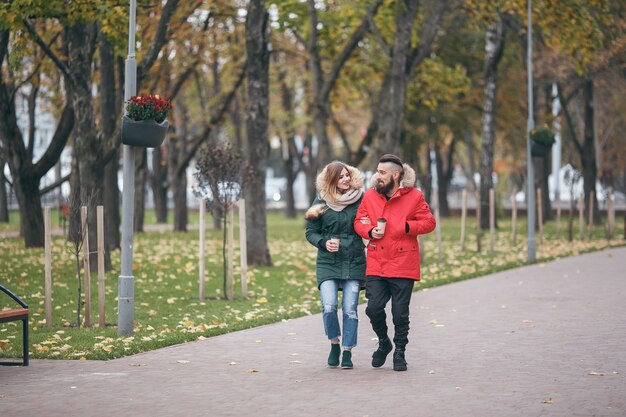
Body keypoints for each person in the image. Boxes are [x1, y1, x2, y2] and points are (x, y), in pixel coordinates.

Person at [353, 154, 436, 371]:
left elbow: (429, 222)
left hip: (403, 261)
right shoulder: (370, 196)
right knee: (373, 308)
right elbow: (360, 220)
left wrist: (406, 227)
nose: (377, 176)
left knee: (400, 313)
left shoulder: (415, 196)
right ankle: (384, 342)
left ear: (396, 175)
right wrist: (369, 231)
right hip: (376, 261)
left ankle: (400, 351)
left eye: (382, 173)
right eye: (377, 172)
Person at [305, 161, 366, 369]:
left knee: (350, 309)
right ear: (331, 180)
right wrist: (323, 242)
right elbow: (310, 232)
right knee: (329, 306)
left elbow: (370, 221)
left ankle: (348, 351)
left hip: (354, 260)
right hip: (328, 262)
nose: (346, 179)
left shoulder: (361, 198)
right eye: (340, 177)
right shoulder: (320, 201)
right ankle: (334, 343)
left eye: (347, 175)